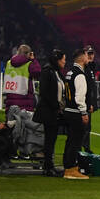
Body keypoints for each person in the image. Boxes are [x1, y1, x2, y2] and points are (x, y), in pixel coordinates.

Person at [32, 49, 68, 177]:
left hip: (54, 110)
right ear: (57, 60)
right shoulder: (48, 71)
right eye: (63, 59)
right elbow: (45, 92)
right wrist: (56, 105)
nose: (65, 62)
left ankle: (50, 164)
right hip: (49, 111)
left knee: (52, 139)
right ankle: (48, 166)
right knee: (49, 139)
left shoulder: (56, 72)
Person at [62, 48, 92, 180]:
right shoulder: (79, 74)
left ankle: (67, 166)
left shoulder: (69, 73)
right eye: (86, 55)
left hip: (68, 110)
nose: (88, 57)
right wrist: (84, 112)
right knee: (75, 142)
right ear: (82, 58)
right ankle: (70, 169)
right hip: (75, 113)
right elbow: (80, 97)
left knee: (70, 141)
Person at [71, 45, 98, 153]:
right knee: (84, 128)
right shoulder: (83, 69)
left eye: (92, 54)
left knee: (87, 127)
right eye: (89, 54)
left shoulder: (90, 68)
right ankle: (83, 149)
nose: (91, 56)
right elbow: (85, 88)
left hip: (87, 101)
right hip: (84, 103)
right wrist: (89, 103)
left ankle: (84, 148)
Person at [2, 44, 41, 112]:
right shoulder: (29, 64)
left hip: (10, 101)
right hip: (25, 103)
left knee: (11, 121)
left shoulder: (9, 63)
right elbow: (37, 72)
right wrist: (33, 59)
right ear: (29, 53)